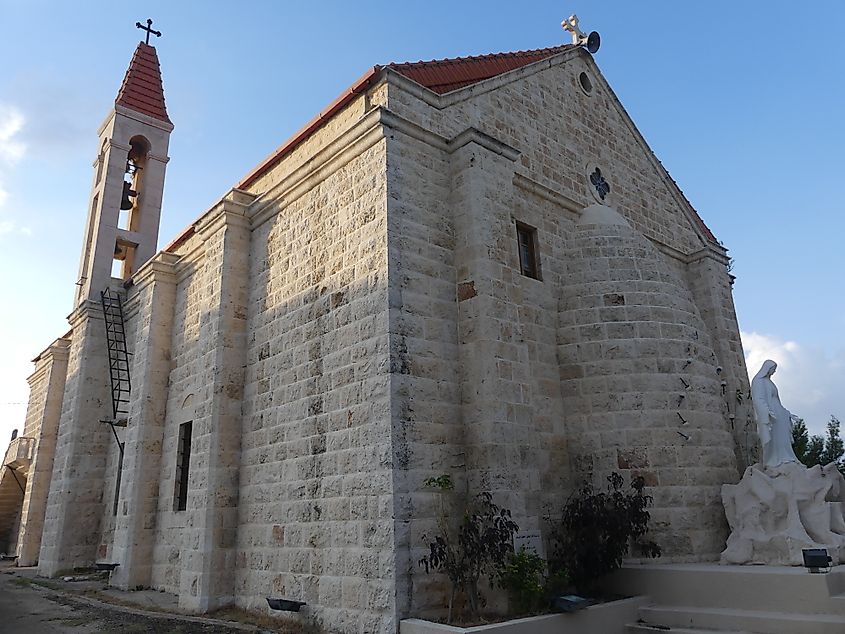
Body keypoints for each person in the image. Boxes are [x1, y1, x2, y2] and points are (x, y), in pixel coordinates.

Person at [751, 359, 800, 467]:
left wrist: (787, 413)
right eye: (773, 369)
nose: (774, 371)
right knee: (774, 436)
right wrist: (766, 411)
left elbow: (777, 400)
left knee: (782, 436)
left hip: (778, 413)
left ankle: (786, 457)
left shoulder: (769, 382)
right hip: (771, 413)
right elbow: (758, 399)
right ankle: (774, 460)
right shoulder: (758, 381)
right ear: (767, 369)